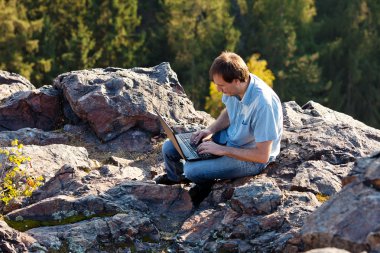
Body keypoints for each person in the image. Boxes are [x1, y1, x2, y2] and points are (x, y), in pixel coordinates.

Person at [155, 51, 283, 202]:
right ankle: (176, 178)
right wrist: (210, 130)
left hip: (251, 158)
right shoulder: (235, 88)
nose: (218, 90)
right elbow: (229, 113)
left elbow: (262, 156)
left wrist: (221, 150)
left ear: (236, 81)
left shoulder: (263, 104)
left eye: (221, 86)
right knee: (169, 147)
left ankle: (204, 185)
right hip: (230, 138)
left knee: (190, 170)